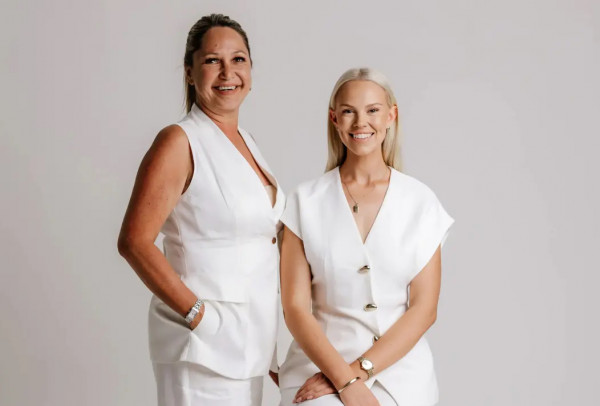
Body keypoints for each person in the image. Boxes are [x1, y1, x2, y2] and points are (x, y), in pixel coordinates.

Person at [117, 14, 283, 406]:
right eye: (212, 60)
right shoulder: (179, 141)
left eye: (238, 59)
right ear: (190, 72)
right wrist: (199, 316)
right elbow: (134, 242)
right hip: (203, 347)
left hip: (251, 342)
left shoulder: (246, 141)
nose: (228, 72)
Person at [278, 68, 454, 406]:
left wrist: (360, 371)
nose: (361, 122)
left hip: (401, 374)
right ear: (334, 119)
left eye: (373, 110)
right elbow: (295, 308)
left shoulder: (421, 203)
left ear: (391, 115)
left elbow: (424, 308)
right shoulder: (304, 202)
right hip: (318, 369)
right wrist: (342, 379)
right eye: (348, 111)